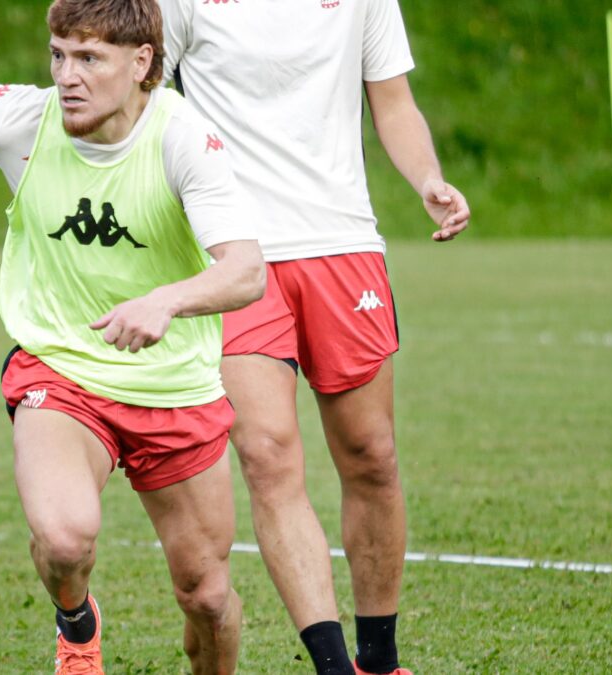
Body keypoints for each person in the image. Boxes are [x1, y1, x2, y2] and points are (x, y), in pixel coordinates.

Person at [0, 1, 265, 672]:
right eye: (58, 55)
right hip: (62, 368)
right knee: (65, 540)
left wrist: (167, 301)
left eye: (89, 58)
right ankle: (76, 624)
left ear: (141, 64)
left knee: (208, 595)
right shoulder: (24, 120)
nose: (66, 76)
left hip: (175, 387)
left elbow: (247, 270)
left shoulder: (183, 138)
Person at [159, 2, 471, 674]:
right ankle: (334, 666)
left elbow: (392, 101)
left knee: (371, 453)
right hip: (234, 252)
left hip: (341, 244)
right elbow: (148, 104)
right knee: (268, 454)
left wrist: (428, 179)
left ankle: (380, 660)